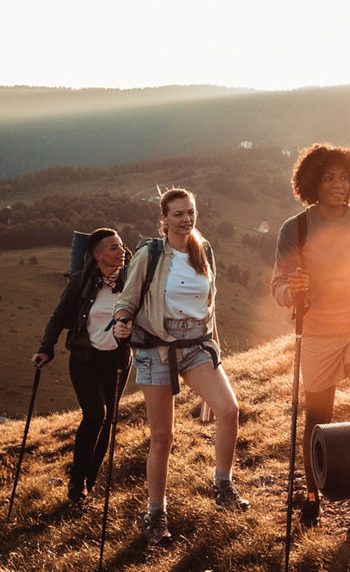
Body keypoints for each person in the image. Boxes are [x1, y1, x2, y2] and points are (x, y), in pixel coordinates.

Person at [112, 187, 248, 544]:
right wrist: (122, 320)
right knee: (162, 437)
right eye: (178, 214)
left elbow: (210, 303)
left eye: (190, 212)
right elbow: (126, 300)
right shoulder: (150, 254)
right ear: (164, 219)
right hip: (156, 348)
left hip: (196, 346)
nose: (186, 219)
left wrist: (214, 345)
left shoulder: (204, 251)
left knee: (229, 410)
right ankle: (155, 514)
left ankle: (223, 487)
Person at [271, 143, 350, 540]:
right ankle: (311, 495)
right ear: (312, 182)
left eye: (344, 177)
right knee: (316, 419)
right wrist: (294, 289)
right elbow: (279, 286)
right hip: (318, 330)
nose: (339, 185)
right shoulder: (297, 227)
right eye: (328, 177)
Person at [31, 227, 132, 503]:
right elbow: (58, 317)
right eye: (113, 247)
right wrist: (45, 348)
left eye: (121, 246)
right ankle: (76, 480)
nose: (121, 250)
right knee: (95, 415)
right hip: (85, 359)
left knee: (109, 419)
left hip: (117, 360)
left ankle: (89, 479)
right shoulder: (80, 282)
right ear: (97, 255)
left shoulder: (133, 281)